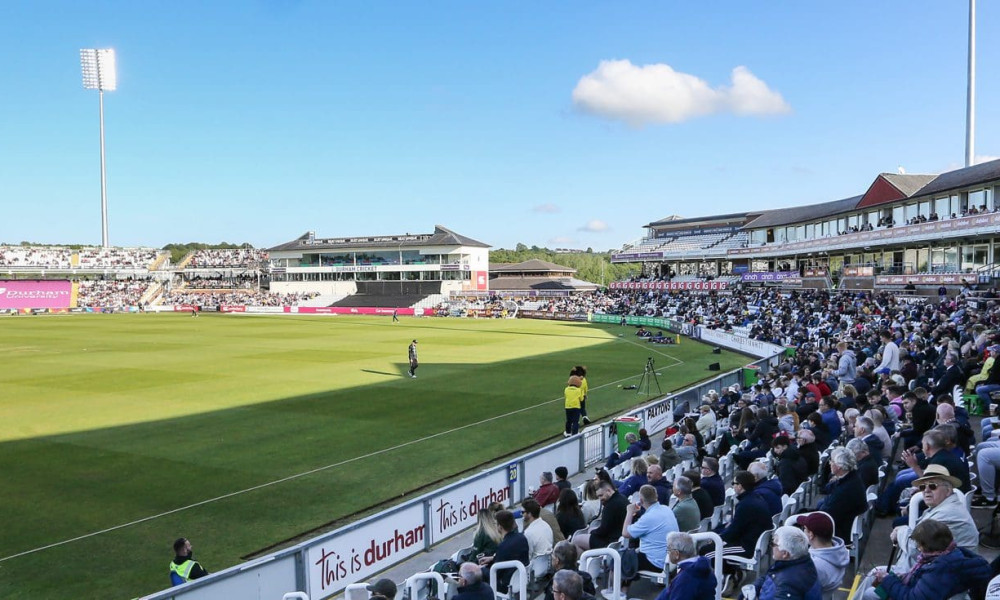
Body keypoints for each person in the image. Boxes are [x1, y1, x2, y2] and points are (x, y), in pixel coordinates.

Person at [868, 519, 991, 600]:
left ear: (925, 546)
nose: (918, 548)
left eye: (918, 545)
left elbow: (912, 598)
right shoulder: (953, 553)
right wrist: (902, 577)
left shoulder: (941, 569)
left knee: (869, 595)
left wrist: (887, 580)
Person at [888, 465, 978, 574]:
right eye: (922, 487)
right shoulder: (941, 507)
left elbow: (918, 548)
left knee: (871, 586)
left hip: (942, 579)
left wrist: (900, 532)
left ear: (948, 490)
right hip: (930, 573)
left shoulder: (947, 514)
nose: (926, 490)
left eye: (932, 486)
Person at [744, 526, 821, 600]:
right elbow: (769, 576)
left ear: (785, 553)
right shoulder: (800, 561)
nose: (771, 546)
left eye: (773, 544)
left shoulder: (787, 585)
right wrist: (755, 587)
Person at [623, 485, 679, 573]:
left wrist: (629, 512)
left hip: (656, 562)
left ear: (641, 501)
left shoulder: (648, 517)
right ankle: (624, 585)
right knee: (630, 557)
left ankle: (616, 586)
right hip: (671, 559)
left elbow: (625, 533)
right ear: (656, 497)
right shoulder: (667, 509)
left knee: (619, 560)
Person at [816, 447, 867, 540]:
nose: (829, 463)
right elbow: (827, 489)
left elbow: (825, 516)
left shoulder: (845, 490)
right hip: (842, 522)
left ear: (838, 466)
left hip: (839, 531)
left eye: (831, 461)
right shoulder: (851, 476)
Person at [795, 512, 848, 598]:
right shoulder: (840, 552)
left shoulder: (814, 565)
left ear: (811, 535)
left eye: (804, 529)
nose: (803, 531)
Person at [653, 532, 716, 600]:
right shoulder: (704, 569)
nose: (668, 553)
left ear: (676, 554)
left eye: (669, 550)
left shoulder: (686, 577)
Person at [479, 510, 528, 592]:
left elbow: (496, 573)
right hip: (520, 579)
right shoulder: (522, 538)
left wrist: (481, 569)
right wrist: (493, 558)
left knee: (479, 574)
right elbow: (511, 555)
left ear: (500, 527)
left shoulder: (503, 546)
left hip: (506, 585)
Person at [573, 480, 628, 551]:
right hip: (618, 537)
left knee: (576, 539)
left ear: (608, 491)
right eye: (598, 496)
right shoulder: (622, 498)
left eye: (601, 495)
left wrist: (592, 533)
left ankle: (583, 560)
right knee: (590, 529)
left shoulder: (610, 506)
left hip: (609, 543)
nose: (600, 499)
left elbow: (603, 530)